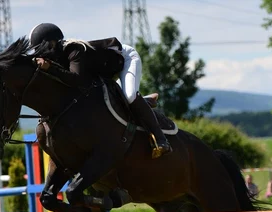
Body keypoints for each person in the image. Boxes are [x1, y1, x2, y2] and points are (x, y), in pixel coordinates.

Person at [27, 23, 172, 159]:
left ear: (51, 43)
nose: (40, 54)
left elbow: (77, 80)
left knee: (129, 96)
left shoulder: (74, 50)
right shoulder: (57, 57)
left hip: (125, 59)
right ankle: (143, 103)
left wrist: (50, 68)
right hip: (104, 69)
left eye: (41, 49)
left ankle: (161, 139)